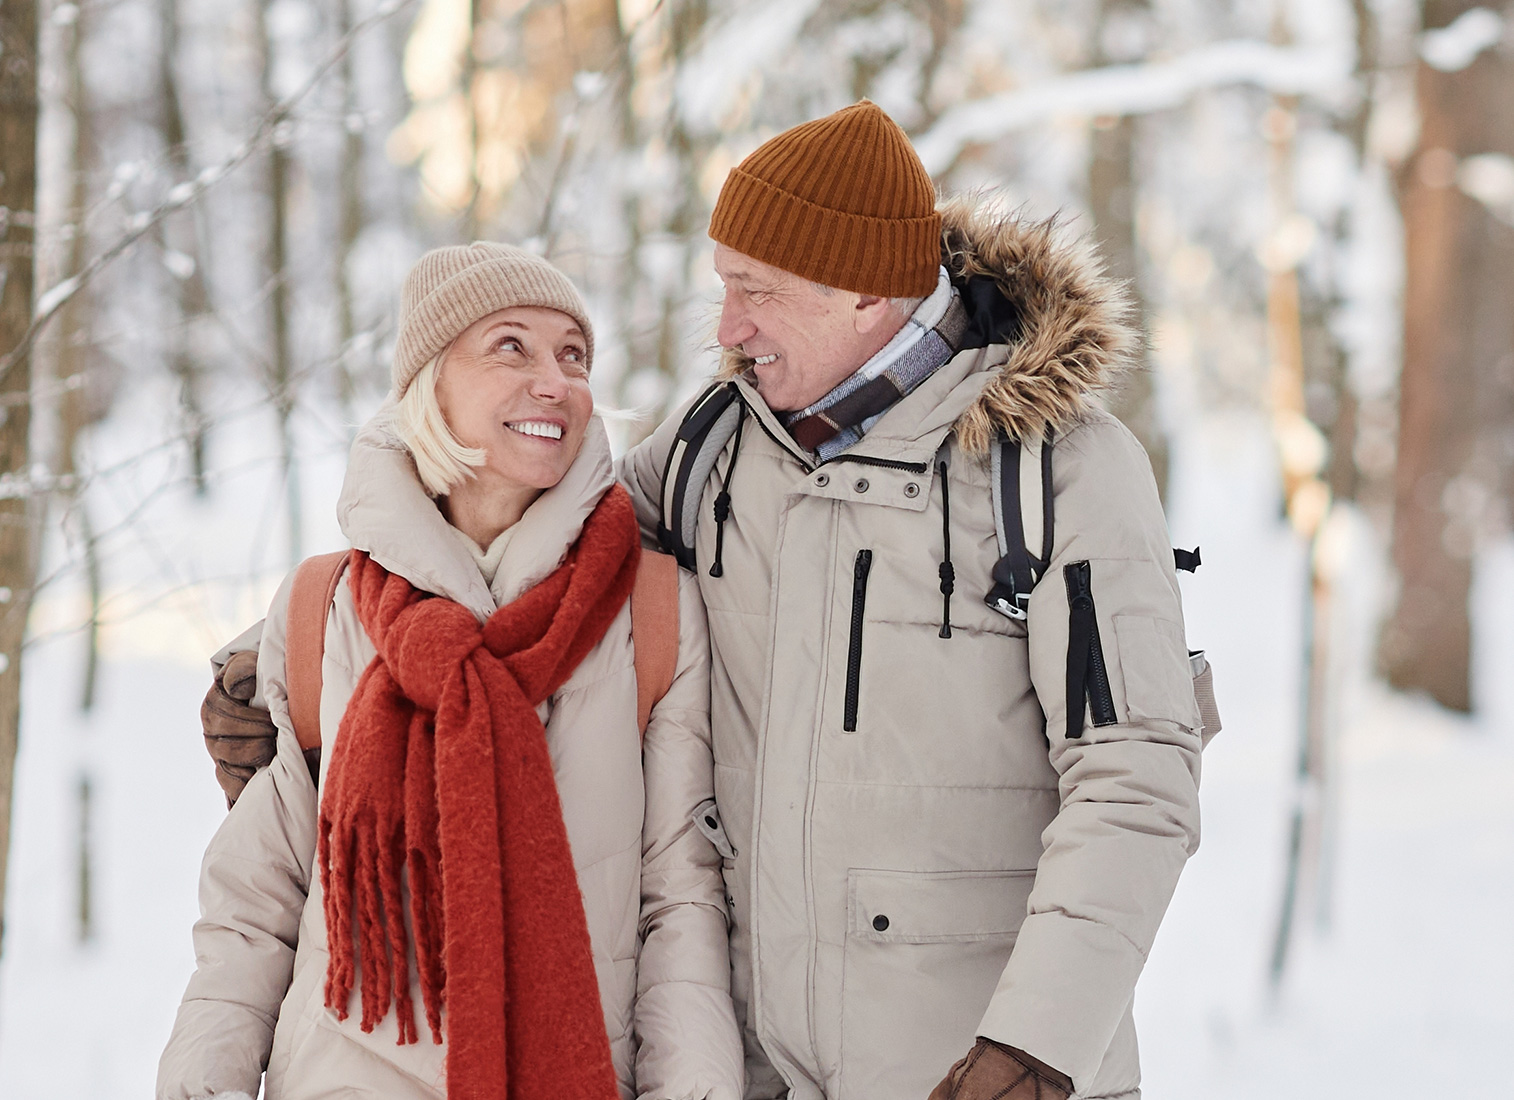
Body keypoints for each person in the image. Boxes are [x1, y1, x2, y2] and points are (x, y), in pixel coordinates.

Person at [202, 104, 1204, 1100]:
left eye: (752, 291)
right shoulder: (713, 446)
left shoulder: (1060, 472)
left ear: (860, 289)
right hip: (759, 1068)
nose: (727, 328)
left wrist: (1037, 1045)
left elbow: (1136, 778)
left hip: (975, 1070)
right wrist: (286, 656)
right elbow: (512, 548)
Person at [158, 243, 744, 1100]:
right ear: (431, 382)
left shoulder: (650, 613)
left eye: (573, 356)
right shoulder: (323, 607)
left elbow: (679, 905)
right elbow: (255, 905)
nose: (555, 381)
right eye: (510, 347)